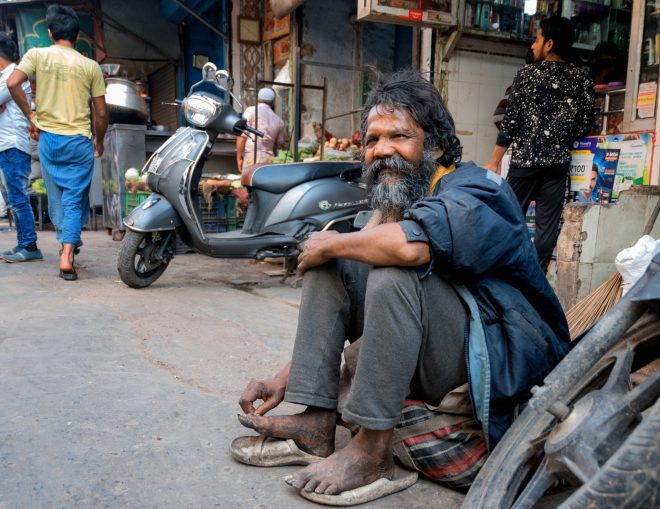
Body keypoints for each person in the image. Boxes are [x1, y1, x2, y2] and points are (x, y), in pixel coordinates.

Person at [230, 69, 571, 506]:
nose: (382, 150)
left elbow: (412, 250)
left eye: (399, 137)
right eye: (372, 140)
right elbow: (353, 264)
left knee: (388, 266)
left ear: (437, 145)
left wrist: (332, 242)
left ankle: (372, 451)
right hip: (446, 350)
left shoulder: (479, 190)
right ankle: (315, 422)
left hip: (498, 357)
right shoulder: (402, 198)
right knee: (331, 264)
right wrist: (288, 377)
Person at [484, 16, 594, 271]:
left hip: (525, 163)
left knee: (507, 218)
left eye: (538, 38)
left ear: (550, 43)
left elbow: (510, 123)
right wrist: (560, 137)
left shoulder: (527, 75)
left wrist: (493, 161)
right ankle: (534, 278)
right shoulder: (582, 79)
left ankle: (500, 272)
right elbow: (584, 124)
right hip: (556, 165)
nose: (533, 45)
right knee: (546, 229)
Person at [8, 4, 107, 280]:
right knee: (76, 199)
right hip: (79, 141)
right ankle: (67, 253)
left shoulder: (37, 55)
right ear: (77, 35)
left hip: (49, 140)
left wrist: (30, 114)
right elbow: (100, 113)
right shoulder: (90, 67)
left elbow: (13, 83)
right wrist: (99, 142)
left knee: (58, 199)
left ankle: (69, 242)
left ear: (50, 33)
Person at [0, 32, 42, 263]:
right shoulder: (5, 76)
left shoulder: (13, 76)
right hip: (6, 144)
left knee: (18, 197)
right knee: (12, 196)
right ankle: (22, 242)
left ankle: (30, 245)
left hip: (14, 144)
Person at [235, 87, 285, 172]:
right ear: (272, 102)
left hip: (251, 157)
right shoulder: (279, 121)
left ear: (258, 99)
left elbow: (242, 137)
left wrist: (239, 158)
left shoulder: (250, 111)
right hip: (269, 160)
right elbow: (279, 145)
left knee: (249, 183)